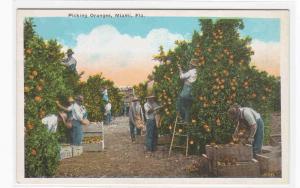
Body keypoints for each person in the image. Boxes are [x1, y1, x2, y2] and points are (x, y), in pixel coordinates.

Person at [177, 58, 198, 123]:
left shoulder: (190, 72)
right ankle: (186, 120)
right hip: (192, 90)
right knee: (187, 106)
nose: (189, 65)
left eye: (190, 64)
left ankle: (182, 118)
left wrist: (180, 69)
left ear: (191, 65)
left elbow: (182, 77)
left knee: (179, 103)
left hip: (186, 89)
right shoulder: (196, 72)